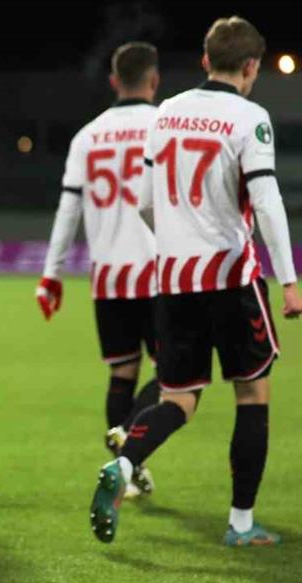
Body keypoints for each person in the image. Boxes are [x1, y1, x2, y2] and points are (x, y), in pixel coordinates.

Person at [92, 16, 301, 547]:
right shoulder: (250, 117)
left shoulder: (167, 112)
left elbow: (144, 202)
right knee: (252, 394)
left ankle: (124, 463)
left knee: (178, 398)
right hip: (230, 277)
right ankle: (241, 524)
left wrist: (177, 241)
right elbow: (267, 202)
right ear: (251, 66)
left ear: (206, 60)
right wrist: (289, 280)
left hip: (173, 281)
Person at [37, 42, 163, 499]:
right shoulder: (164, 125)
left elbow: (67, 211)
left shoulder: (86, 136)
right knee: (176, 376)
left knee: (122, 373)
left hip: (108, 276)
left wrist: (51, 273)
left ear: (113, 81)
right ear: (154, 80)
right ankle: (129, 442)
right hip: (157, 272)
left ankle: (125, 469)